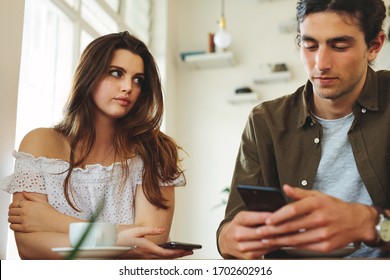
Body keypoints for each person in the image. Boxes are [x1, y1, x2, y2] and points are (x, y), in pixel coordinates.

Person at [217, 0, 390, 259]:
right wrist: (229, 240)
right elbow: (229, 230)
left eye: (339, 46)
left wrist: (371, 224)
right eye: (309, 45)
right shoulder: (265, 121)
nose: (321, 63)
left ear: (374, 46)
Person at [1, 31, 192, 259]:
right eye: (116, 73)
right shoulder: (39, 144)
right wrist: (120, 241)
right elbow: (29, 247)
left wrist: (52, 220)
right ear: (89, 75)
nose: (128, 87)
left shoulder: (156, 151)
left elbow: (151, 240)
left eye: (138, 80)